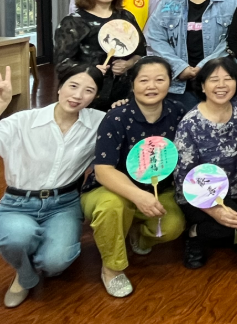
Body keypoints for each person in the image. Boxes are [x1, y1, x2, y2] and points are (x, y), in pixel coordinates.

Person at [0, 64, 104, 308]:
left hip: (64, 204)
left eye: (89, 91)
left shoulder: (98, 122)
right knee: (17, 237)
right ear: (59, 87)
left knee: (55, 263)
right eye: (73, 86)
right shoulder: (23, 121)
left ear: (95, 97)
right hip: (17, 203)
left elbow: (125, 127)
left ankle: (39, 252)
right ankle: (24, 276)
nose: (78, 95)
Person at [80, 57, 188, 298]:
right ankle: (112, 268)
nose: (152, 86)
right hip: (110, 189)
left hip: (159, 188)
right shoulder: (116, 117)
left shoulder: (178, 112)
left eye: (159, 79)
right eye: (144, 80)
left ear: (170, 83)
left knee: (172, 226)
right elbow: (103, 170)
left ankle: (138, 235)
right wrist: (138, 196)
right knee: (112, 207)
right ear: (132, 84)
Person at [173, 57, 237, 269]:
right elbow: (183, 178)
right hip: (201, 193)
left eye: (228, 79)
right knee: (235, 222)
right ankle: (194, 233)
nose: (221, 85)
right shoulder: (190, 123)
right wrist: (214, 210)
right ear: (202, 86)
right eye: (213, 79)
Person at [146, 0, 237, 111]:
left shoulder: (229, 1)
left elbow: (233, 39)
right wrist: (179, 67)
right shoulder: (168, 2)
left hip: (218, 81)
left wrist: (205, 66)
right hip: (178, 84)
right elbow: (154, 38)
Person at [54, 0, 147, 111]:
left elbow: (141, 52)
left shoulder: (126, 17)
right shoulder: (74, 22)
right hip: (85, 96)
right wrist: (91, 70)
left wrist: (128, 64)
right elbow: (62, 64)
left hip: (123, 95)